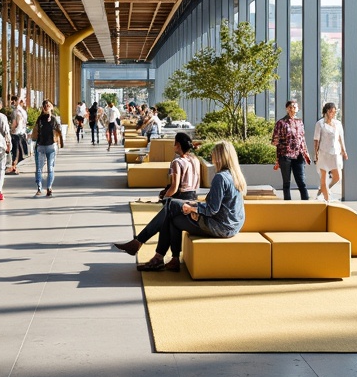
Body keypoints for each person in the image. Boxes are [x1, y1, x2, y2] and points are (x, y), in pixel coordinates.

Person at [113, 140, 246, 271]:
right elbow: (220, 206)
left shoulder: (221, 177)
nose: (211, 156)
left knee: (170, 206)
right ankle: (169, 259)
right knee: (172, 216)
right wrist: (196, 208)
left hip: (220, 226)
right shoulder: (234, 175)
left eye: (213, 154)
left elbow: (212, 209)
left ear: (220, 157)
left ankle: (145, 246)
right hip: (231, 225)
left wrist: (194, 209)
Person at [272, 99, 311, 200]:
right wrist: (278, 157)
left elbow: (302, 138)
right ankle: (287, 205)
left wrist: (306, 152)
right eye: (290, 107)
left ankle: (307, 204)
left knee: (301, 181)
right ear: (287, 109)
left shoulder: (300, 122)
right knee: (286, 182)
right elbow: (275, 140)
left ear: (298, 109)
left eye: (295, 107)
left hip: (299, 155)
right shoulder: (281, 123)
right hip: (285, 155)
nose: (292, 109)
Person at [313, 101, 347, 202]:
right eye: (332, 112)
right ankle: (327, 200)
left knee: (337, 177)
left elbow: (341, 138)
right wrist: (316, 153)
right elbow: (316, 139)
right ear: (327, 111)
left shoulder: (338, 123)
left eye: (334, 112)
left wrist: (344, 151)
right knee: (323, 176)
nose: (333, 114)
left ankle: (323, 190)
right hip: (323, 152)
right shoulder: (320, 124)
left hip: (335, 153)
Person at [32, 99, 63, 197]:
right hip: (51, 146)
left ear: (43, 108)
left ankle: (39, 188)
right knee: (50, 168)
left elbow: (35, 133)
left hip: (40, 146)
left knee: (39, 168)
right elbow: (60, 131)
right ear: (51, 108)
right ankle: (49, 187)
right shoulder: (54, 119)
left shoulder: (39, 119)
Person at [159, 132, 201, 201]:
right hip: (193, 196)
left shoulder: (177, 162)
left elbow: (174, 187)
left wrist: (164, 199)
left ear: (178, 144)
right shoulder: (195, 160)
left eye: (174, 143)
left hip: (181, 198)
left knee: (162, 194)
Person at [7, 94, 27, 174]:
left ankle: (13, 167)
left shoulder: (16, 111)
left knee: (15, 150)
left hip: (16, 132)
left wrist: (12, 129)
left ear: (15, 101)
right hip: (21, 132)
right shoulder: (23, 110)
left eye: (12, 101)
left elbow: (17, 121)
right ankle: (14, 167)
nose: (11, 103)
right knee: (18, 150)